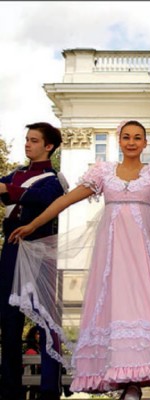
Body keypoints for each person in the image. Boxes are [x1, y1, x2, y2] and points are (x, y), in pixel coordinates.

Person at [9, 120, 150, 399]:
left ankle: (135, 381)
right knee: (113, 305)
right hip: (111, 253)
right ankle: (117, 376)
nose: (131, 142)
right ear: (119, 141)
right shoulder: (103, 172)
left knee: (140, 306)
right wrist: (33, 225)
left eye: (138, 137)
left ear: (145, 143)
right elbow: (65, 201)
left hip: (141, 254)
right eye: (126, 137)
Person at [0, 122, 65, 400]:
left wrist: (9, 190)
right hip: (13, 248)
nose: (28, 144)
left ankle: (50, 388)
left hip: (40, 249)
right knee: (8, 319)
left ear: (48, 146)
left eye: (34, 140)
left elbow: (44, 198)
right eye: (27, 139)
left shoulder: (54, 178)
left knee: (46, 319)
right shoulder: (15, 174)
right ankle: (9, 388)